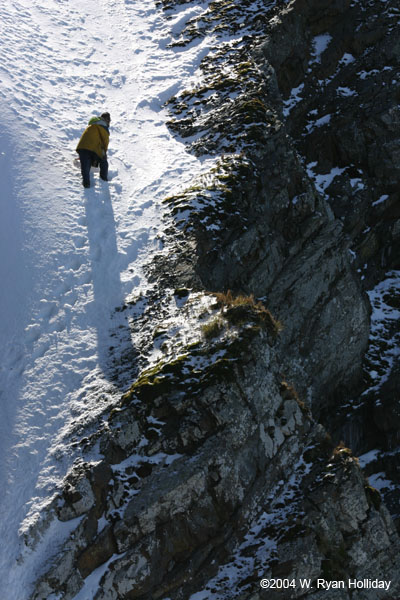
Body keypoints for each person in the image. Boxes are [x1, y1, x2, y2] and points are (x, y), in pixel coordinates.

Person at [76, 112, 111, 188]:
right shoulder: (103, 127)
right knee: (103, 161)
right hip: (94, 148)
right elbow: (105, 142)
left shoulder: (91, 125)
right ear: (106, 120)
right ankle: (104, 178)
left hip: (82, 147)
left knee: (85, 164)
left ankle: (86, 183)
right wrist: (104, 153)